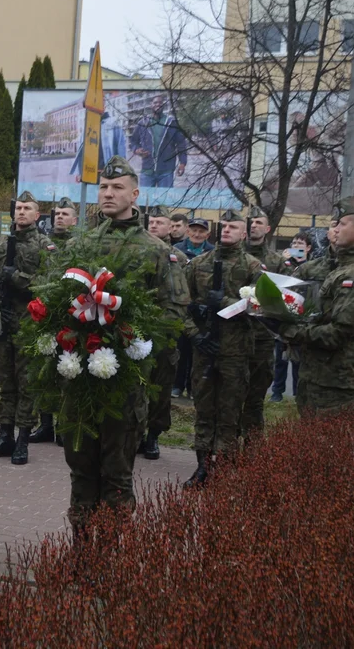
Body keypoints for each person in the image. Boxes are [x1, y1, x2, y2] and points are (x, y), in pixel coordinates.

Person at [62, 157, 189, 534]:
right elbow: (59, 300)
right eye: (103, 186)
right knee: (81, 472)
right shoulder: (81, 243)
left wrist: (140, 344)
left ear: (135, 194)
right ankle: (82, 557)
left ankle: (112, 562)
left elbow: (173, 310)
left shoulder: (155, 249)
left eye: (117, 188)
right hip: (81, 377)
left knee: (117, 476)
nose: (108, 193)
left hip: (127, 381)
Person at [274, 196, 354, 416]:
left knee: (326, 444)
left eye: (342, 224)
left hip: (337, 380)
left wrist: (289, 330)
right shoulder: (344, 268)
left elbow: (338, 333)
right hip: (321, 373)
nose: (335, 229)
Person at [183, 210, 262, 488]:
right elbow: (182, 305)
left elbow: (260, 308)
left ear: (244, 233)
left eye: (234, 226)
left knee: (229, 413)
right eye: (224, 226)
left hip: (235, 352)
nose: (227, 230)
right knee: (204, 411)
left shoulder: (252, 267)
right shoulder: (198, 264)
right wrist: (195, 336)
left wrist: (226, 301)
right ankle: (202, 467)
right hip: (204, 349)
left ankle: (225, 467)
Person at [0, 190, 50, 465]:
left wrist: (17, 278)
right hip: (3, 322)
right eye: (18, 208)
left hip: (28, 324)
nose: (21, 212)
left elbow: (49, 284)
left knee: (26, 384)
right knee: (5, 383)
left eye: (27, 208)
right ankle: (5, 434)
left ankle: (23, 437)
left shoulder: (44, 246)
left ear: (37, 214)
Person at [137, 205, 188, 460]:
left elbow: (182, 299)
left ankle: (153, 436)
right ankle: (134, 434)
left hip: (164, 332)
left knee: (160, 387)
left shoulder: (178, 258)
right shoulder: (137, 252)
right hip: (136, 330)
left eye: (160, 222)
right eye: (152, 222)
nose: (155, 226)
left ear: (171, 227)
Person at [242, 205, 284, 439]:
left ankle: (251, 450)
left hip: (262, 339)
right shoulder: (233, 256)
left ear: (267, 228)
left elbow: (285, 301)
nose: (254, 225)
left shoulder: (276, 262)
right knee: (229, 399)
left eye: (258, 222)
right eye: (250, 221)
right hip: (233, 337)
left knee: (255, 400)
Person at [171, 218, 215, 398]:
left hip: (202, 307)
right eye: (194, 230)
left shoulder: (212, 252)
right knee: (180, 347)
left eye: (201, 231)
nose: (197, 234)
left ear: (207, 234)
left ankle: (192, 386)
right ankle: (177, 385)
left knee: (198, 349)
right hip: (182, 304)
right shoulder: (178, 251)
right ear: (188, 231)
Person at [271, 232, 313, 401]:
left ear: (308, 248)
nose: (296, 246)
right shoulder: (285, 264)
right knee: (280, 358)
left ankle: (297, 392)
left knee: (298, 360)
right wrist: (284, 261)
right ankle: (277, 392)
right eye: (294, 243)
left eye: (300, 243)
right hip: (284, 313)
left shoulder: (311, 266)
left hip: (303, 316)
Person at [129, 95, 188, 188]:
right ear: (151, 105)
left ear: (163, 105)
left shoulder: (171, 122)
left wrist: (182, 163)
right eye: (155, 102)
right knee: (145, 201)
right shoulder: (143, 123)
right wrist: (136, 150)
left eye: (160, 103)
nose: (158, 104)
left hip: (166, 171)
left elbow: (181, 144)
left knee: (164, 201)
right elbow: (133, 142)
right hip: (147, 170)